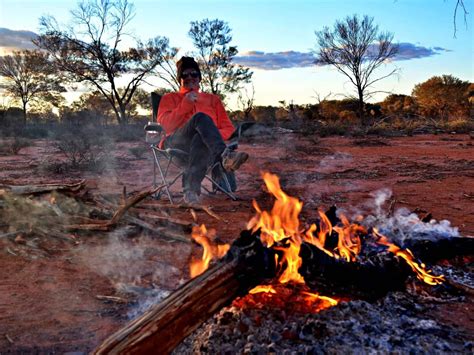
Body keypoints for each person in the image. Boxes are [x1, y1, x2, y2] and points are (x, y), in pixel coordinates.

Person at [157, 56, 249, 204]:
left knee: (201, 138)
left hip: (204, 146)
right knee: (200, 117)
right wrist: (185, 103)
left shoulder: (213, 100)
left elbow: (228, 129)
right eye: (184, 75)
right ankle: (225, 156)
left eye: (193, 74)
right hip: (177, 142)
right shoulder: (170, 98)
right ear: (179, 78)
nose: (189, 77)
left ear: (199, 77)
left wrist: (208, 134)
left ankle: (191, 191)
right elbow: (166, 126)